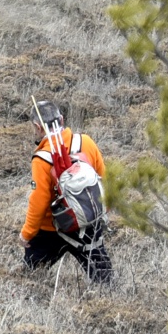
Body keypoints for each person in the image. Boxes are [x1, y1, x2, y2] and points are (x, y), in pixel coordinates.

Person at [23, 100, 113, 283]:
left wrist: (27, 233)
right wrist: (102, 212)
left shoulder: (41, 159)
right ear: (62, 119)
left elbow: (39, 200)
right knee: (104, 280)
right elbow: (104, 179)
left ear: (37, 127)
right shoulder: (85, 142)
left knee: (29, 278)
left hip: (51, 230)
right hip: (87, 222)